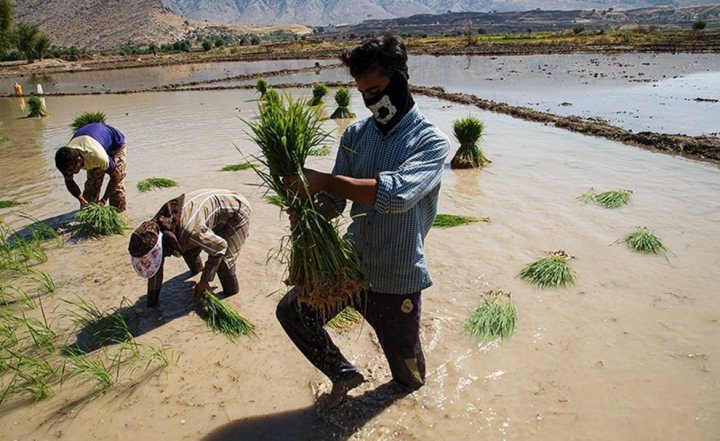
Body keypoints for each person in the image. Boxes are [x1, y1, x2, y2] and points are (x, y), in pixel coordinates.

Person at [276, 34, 450, 411]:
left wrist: (322, 179)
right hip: (350, 266)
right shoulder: (356, 135)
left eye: (375, 89)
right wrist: (309, 206)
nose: (371, 100)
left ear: (400, 79)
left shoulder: (430, 142)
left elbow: (399, 195)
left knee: (409, 378)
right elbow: (335, 202)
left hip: (396, 276)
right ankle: (342, 372)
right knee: (293, 312)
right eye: (362, 92)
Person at [128, 189, 252, 307]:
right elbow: (155, 269)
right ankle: (197, 272)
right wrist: (151, 305)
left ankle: (232, 297)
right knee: (187, 249)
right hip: (207, 209)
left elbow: (220, 247)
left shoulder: (191, 231)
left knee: (224, 263)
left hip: (236, 212)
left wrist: (205, 280)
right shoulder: (153, 228)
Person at [54, 123, 128, 212]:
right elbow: (69, 180)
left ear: (79, 160)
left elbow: (116, 175)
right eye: (66, 172)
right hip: (93, 142)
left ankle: (119, 216)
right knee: (91, 188)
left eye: (71, 170)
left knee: (117, 189)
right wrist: (81, 200)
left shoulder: (96, 157)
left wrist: (104, 200)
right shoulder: (65, 161)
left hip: (115, 144)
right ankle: (89, 216)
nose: (69, 174)